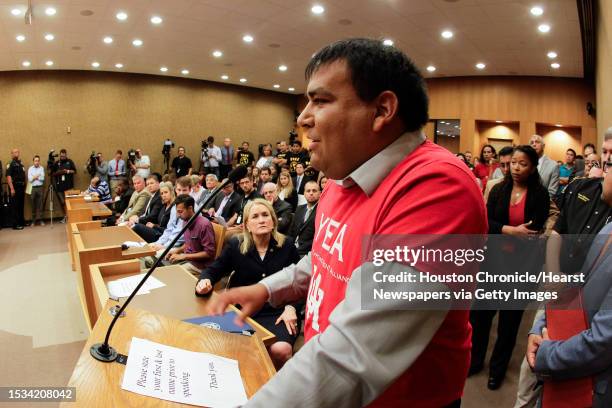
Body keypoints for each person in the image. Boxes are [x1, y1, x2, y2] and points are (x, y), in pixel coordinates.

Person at [206, 38, 487, 407]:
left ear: (382, 109)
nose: (303, 118)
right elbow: (325, 259)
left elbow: (354, 355)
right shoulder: (342, 178)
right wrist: (268, 289)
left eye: (320, 101)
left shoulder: (437, 188)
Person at [526, 169, 611, 407]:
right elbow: (577, 288)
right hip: (565, 347)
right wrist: (540, 326)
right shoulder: (608, 229)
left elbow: (603, 344)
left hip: (591, 387)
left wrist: (545, 353)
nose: (605, 172)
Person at [469, 145, 550, 390]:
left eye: (522, 163)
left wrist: (510, 232)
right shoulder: (498, 190)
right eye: (513, 162)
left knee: (508, 323)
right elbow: (487, 223)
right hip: (492, 264)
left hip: (521, 267)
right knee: (481, 318)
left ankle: (497, 370)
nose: (516, 167)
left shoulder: (540, 194)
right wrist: (510, 230)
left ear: (533, 167)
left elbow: (533, 232)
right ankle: (474, 361)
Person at [196, 198, 301, 368]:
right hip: (244, 310)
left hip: (279, 311)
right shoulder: (236, 245)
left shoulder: (287, 245)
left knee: (280, 350)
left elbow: (301, 284)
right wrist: (205, 281)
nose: (261, 220)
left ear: (273, 221)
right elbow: (213, 270)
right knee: (223, 348)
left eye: (266, 215)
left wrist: (291, 308)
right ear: (247, 225)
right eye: (255, 216)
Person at [164, 194, 216, 276]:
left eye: (180, 212)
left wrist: (184, 256)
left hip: (200, 266)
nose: (178, 215)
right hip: (189, 260)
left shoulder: (204, 225)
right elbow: (189, 243)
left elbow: (209, 253)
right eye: (177, 212)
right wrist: (177, 250)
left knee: (170, 274)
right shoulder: (185, 220)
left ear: (190, 208)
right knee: (161, 263)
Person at [288, 180, 320, 257]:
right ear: (304, 194)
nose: (311, 193)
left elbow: (317, 238)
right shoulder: (299, 208)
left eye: (314, 191)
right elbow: (291, 231)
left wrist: (297, 250)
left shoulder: (322, 211)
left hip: (306, 253)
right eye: (308, 191)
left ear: (320, 193)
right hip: (292, 248)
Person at [529, 135, 559, 199]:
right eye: (532, 143)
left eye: (537, 142)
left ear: (543, 146)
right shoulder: (525, 164)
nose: (534, 144)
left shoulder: (553, 165)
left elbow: (552, 192)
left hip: (542, 204)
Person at [7, 148, 26, 229]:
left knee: (21, 205)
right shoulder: (10, 164)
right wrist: (11, 188)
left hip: (21, 187)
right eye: (14, 152)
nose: (16, 153)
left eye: (17, 152)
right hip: (15, 187)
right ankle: (15, 224)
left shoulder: (21, 163)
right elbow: (8, 176)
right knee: (15, 206)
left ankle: (21, 222)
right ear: (11, 154)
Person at [27, 155, 45, 226]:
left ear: (39, 161)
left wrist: (34, 177)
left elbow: (42, 178)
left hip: (40, 187)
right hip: (32, 188)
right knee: (33, 204)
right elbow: (30, 179)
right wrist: (37, 176)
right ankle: (33, 221)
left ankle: (41, 220)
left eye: (38, 160)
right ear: (33, 161)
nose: (37, 162)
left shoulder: (42, 168)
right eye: (35, 161)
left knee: (40, 204)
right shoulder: (30, 169)